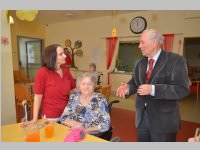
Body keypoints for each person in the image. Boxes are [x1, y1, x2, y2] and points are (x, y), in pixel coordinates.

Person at [116, 29, 190, 142]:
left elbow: (182, 89)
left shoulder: (176, 60)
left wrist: (153, 89)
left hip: (163, 121)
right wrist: (128, 88)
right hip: (141, 119)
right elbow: (135, 83)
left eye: (142, 42)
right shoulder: (139, 63)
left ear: (154, 43)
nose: (139, 46)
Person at [23, 44, 76, 126]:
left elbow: (74, 89)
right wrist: (34, 118)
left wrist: (87, 88)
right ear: (53, 57)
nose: (65, 56)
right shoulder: (43, 72)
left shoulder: (66, 71)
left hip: (66, 116)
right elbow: (37, 97)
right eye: (61, 54)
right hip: (51, 117)